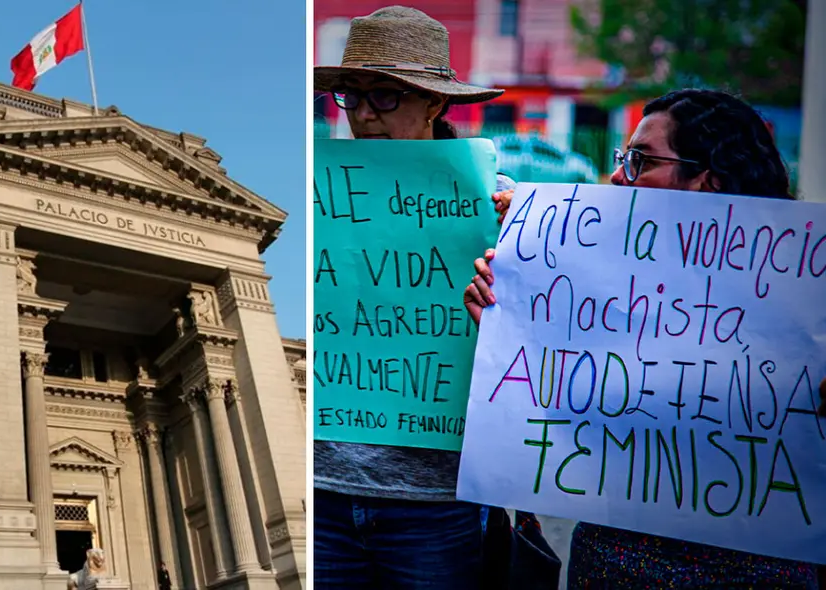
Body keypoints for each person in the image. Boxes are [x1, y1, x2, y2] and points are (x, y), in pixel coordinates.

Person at [464, 88, 820, 589]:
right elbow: (562, 411)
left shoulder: (805, 301)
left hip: (757, 567)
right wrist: (506, 331)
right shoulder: (598, 289)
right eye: (621, 158)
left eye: (639, 160)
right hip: (614, 559)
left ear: (708, 180)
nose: (616, 174)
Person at [312, 6, 517, 589]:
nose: (366, 115)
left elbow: (539, 344)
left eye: (387, 95)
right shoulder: (318, 189)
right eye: (352, 97)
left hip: (436, 500)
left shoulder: (496, 204)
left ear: (435, 104)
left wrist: (517, 253)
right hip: (324, 492)